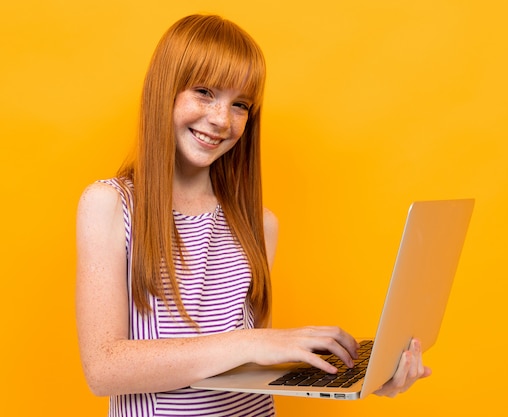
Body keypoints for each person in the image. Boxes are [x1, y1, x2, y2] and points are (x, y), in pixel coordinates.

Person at [75, 14, 431, 417]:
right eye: (205, 92)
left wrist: (363, 376)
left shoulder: (258, 224)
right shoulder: (110, 204)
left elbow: (249, 368)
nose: (222, 120)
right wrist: (254, 342)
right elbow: (103, 368)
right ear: (165, 89)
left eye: (240, 104)